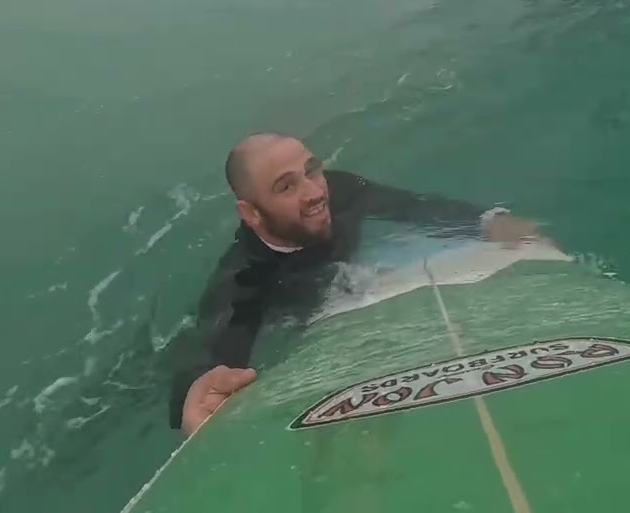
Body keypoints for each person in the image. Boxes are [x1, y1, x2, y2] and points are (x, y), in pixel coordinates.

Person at [169, 132, 547, 437]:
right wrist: (194, 391)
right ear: (250, 213)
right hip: (298, 316)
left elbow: (410, 206)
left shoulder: (340, 190)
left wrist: (485, 221)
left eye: (312, 171)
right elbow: (217, 339)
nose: (315, 192)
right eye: (285, 187)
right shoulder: (247, 274)